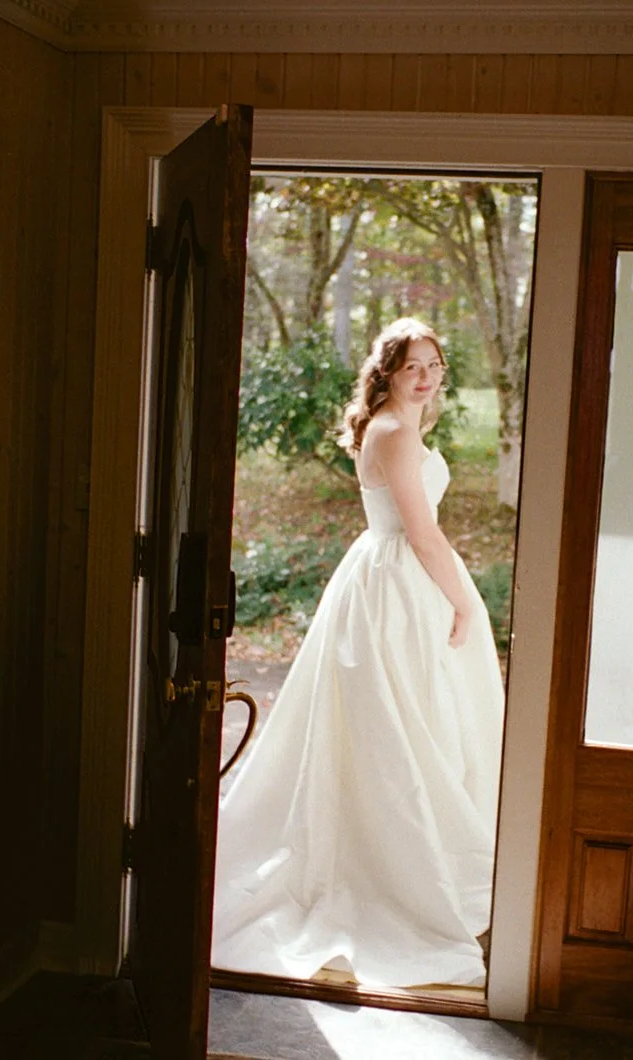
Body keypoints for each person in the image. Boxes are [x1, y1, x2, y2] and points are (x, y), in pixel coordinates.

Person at [210, 317, 506, 989]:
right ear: (388, 374)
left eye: (434, 366)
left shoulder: (400, 427)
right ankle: (398, 869)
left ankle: (429, 850)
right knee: (396, 729)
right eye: (412, 368)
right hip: (398, 584)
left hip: (391, 573)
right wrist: (463, 600)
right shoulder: (395, 433)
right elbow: (423, 533)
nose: (427, 378)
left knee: (420, 720)